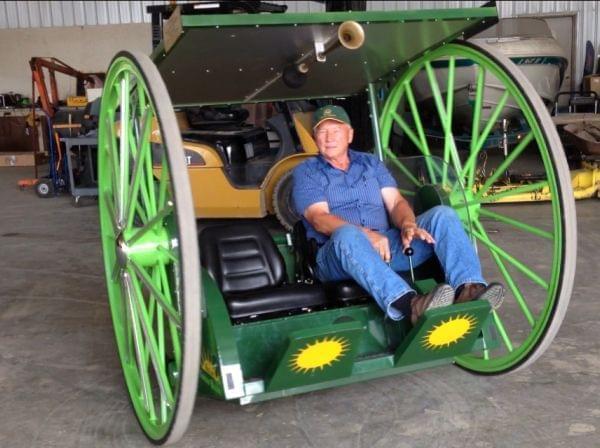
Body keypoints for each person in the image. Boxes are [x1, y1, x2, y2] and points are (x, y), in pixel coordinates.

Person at [292, 105, 504, 325]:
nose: (329, 138)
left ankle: (468, 289)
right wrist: (366, 235)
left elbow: (395, 202)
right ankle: (410, 305)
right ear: (315, 137)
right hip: (335, 256)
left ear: (350, 134)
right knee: (347, 234)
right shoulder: (306, 171)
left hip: (386, 246)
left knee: (443, 215)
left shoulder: (370, 163)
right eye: (322, 132)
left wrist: (408, 224)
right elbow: (319, 218)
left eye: (335, 131)